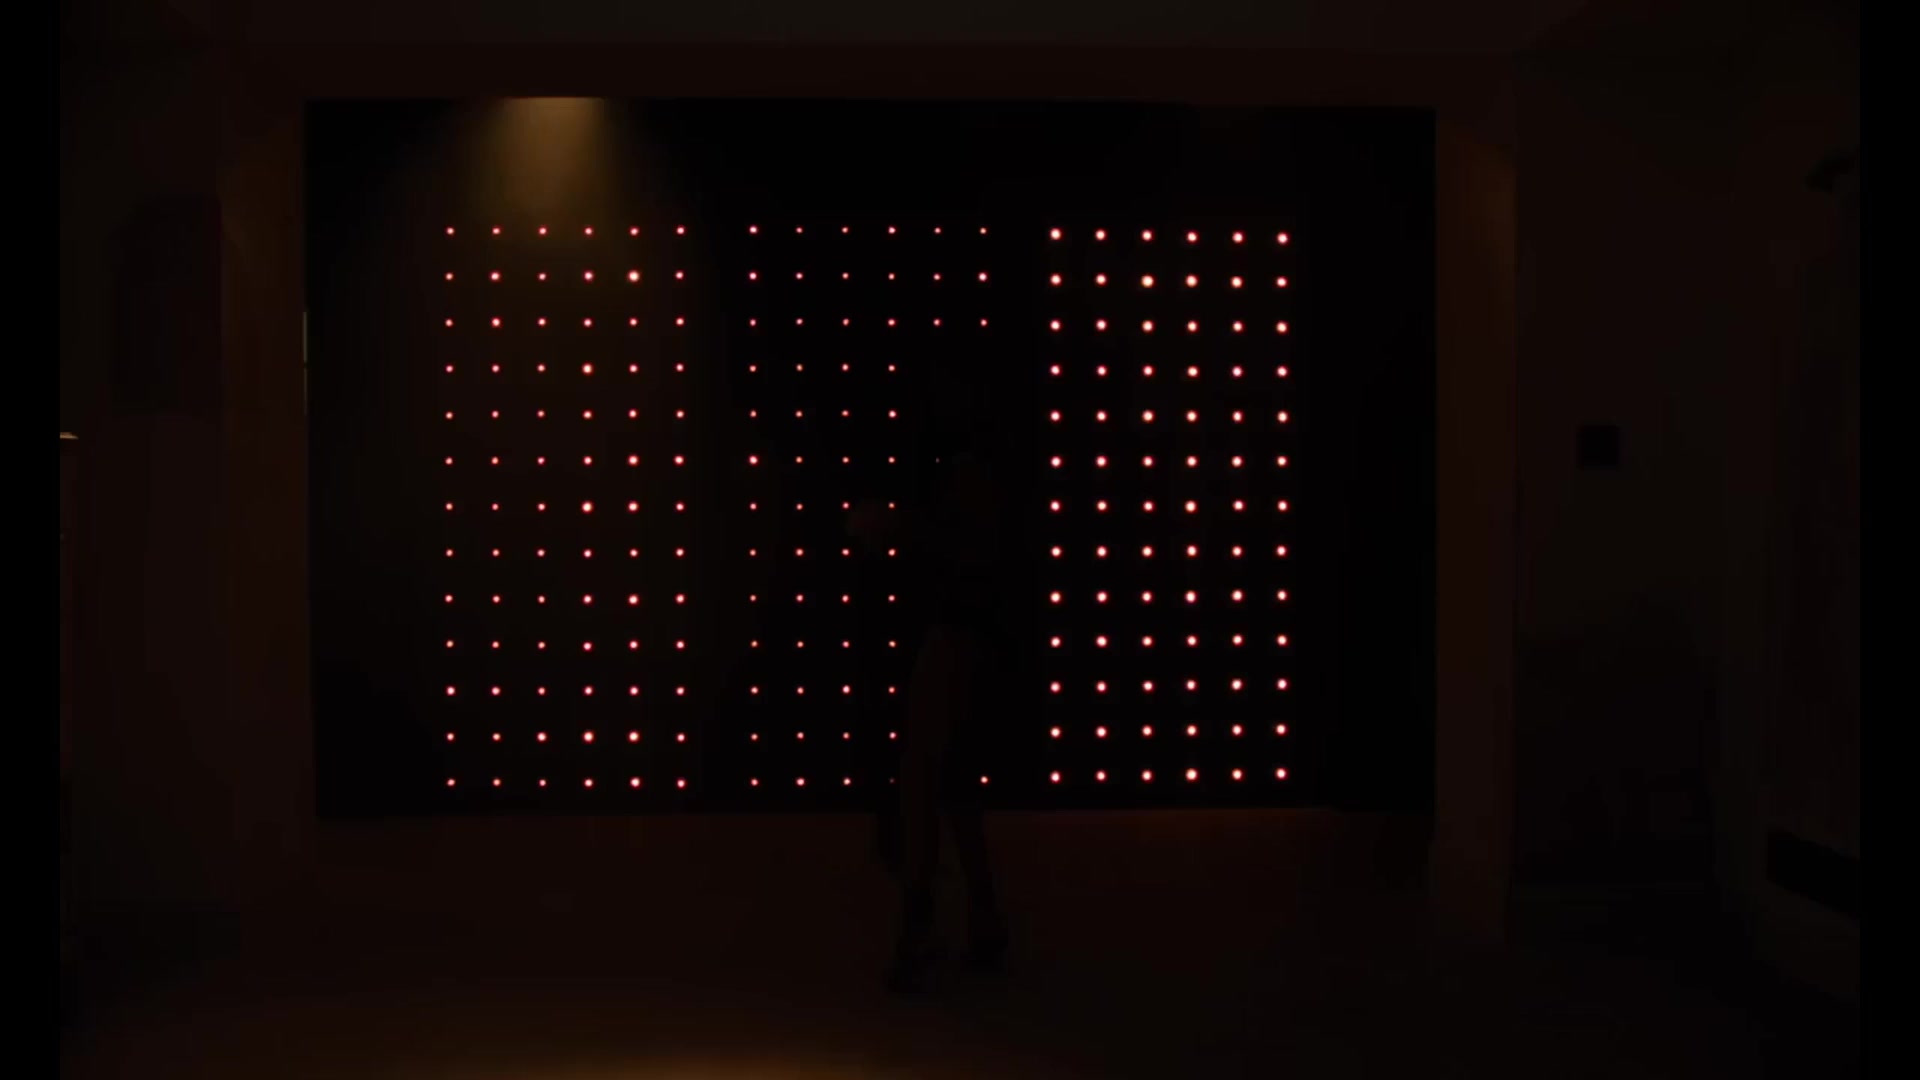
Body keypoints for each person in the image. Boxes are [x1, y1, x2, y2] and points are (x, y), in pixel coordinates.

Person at [849, 403, 1015, 993]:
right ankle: (980, 919)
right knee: (953, 779)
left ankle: (924, 925)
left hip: (958, 634)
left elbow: (968, 553)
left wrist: (898, 530)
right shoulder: (977, 469)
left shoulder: (964, 474)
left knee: (922, 777)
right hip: (972, 634)